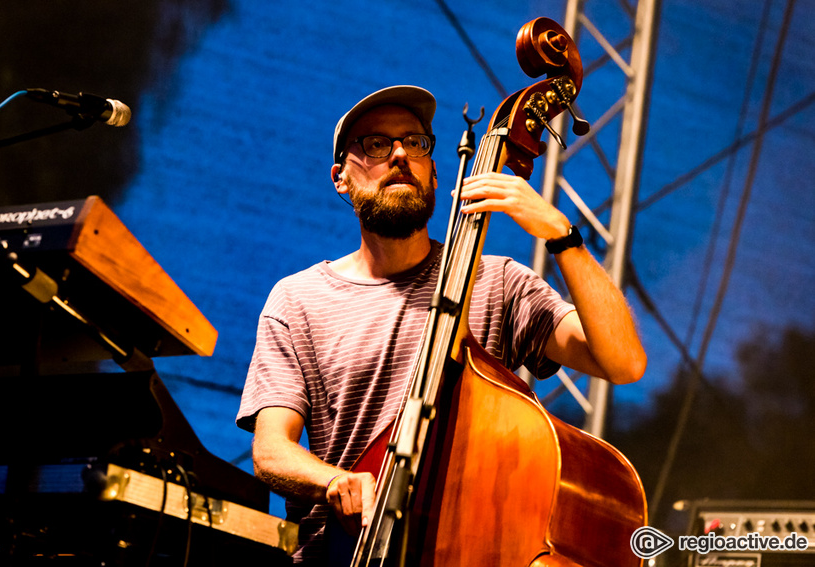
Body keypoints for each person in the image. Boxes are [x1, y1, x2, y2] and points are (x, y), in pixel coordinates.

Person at [236, 85, 646, 565]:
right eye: (375, 144)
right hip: (342, 552)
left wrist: (562, 235)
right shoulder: (299, 299)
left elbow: (623, 362)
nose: (399, 154)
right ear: (340, 178)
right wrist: (333, 480)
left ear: (434, 171)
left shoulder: (496, 283)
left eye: (416, 142)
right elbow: (269, 449)